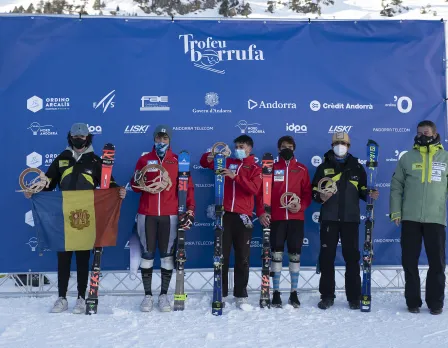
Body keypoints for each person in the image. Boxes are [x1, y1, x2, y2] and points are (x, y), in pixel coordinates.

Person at [24, 123, 126, 314]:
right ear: (70, 137)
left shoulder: (96, 161)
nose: (79, 139)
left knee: (82, 259)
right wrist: (33, 192)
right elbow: (47, 184)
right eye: (75, 136)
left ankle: (81, 297)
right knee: (63, 258)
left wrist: (119, 191)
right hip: (64, 216)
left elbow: (109, 185)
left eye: (82, 136)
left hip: (86, 217)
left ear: (88, 138)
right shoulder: (62, 159)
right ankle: (62, 298)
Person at [130, 125, 195, 312]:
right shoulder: (144, 160)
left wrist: (190, 210)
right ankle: (148, 296)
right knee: (147, 255)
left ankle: (164, 296)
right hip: (147, 214)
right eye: (158, 138)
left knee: (167, 257)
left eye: (165, 139)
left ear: (170, 140)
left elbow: (187, 189)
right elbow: (135, 187)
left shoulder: (177, 161)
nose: (161, 142)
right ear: (154, 139)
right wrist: (138, 179)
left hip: (170, 215)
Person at [311, 132, 379, 310]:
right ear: (332, 145)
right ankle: (327, 295)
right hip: (329, 219)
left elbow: (364, 190)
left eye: (343, 143)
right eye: (337, 143)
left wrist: (370, 194)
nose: (340, 146)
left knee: (352, 258)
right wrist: (320, 196)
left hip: (350, 219)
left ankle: (354, 297)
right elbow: (313, 192)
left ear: (348, 146)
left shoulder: (357, 167)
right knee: (327, 258)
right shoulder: (324, 167)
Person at [390, 120, 447, 315]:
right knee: (409, 261)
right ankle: (413, 301)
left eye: (427, 132)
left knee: (437, 263)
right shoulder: (407, 158)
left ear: (435, 133)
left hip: (435, 219)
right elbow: (397, 186)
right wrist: (396, 211)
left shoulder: (445, 158)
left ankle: (435, 302)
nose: (423, 135)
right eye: (420, 132)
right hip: (410, 219)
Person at [200, 135, 262, 309]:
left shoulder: (255, 168)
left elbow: (255, 189)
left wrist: (236, 177)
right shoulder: (227, 162)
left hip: (243, 217)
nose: (238, 149)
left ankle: (241, 294)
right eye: (236, 146)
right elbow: (204, 162)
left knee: (242, 256)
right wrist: (214, 155)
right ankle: (222, 291)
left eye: (241, 146)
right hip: (225, 215)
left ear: (249, 148)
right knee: (222, 255)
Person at [256, 136, 312, 308]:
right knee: (276, 255)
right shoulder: (270, 168)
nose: (286, 149)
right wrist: (260, 213)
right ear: (278, 149)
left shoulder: (301, 169)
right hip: (277, 219)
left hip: (296, 219)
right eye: (282, 147)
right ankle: (276, 292)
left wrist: (300, 206)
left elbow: (307, 193)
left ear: (294, 148)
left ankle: (294, 293)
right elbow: (261, 192)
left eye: (289, 146)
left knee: (295, 256)